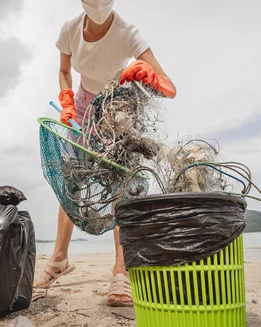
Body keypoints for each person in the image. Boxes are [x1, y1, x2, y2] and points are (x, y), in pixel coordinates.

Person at [33, 0, 176, 306]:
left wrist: (146, 73)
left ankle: (121, 272)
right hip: (83, 107)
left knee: (120, 185)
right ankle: (59, 259)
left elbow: (169, 87)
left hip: (118, 107)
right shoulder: (70, 30)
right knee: (73, 180)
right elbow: (63, 71)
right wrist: (67, 97)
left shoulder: (128, 34)